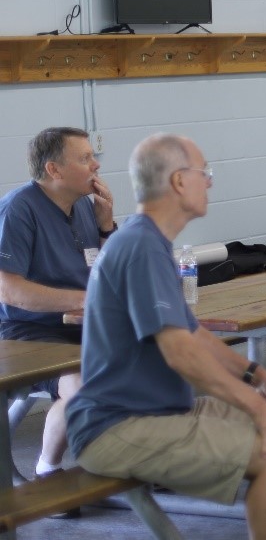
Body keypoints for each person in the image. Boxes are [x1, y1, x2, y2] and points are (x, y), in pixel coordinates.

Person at [66, 134, 266, 540]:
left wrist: (258, 376)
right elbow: (179, 354)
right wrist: (256, 406)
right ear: (178, 182)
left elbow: (193, 334)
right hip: (117, 427)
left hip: (151, 414)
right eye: (203, 173)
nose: (209, 182)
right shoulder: (140, 246)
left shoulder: (149, 242)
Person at [0, 127, 115, 517]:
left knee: (157, 357)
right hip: (28, 332)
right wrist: (85, 299)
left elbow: (105, 271)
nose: (96, 164)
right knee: (82, 386)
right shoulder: (18, 209)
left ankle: (135, 459)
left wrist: (105, 226)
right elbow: (10, 291)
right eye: (84, 158)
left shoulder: (85, 205)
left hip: (82, 324)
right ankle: (47, 471)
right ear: (54, 169)